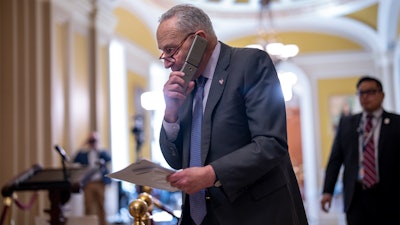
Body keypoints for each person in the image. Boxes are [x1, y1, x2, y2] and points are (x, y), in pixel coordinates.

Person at [157, 4, 308, 225]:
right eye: (163, 53)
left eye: (171, 50)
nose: (167, 62)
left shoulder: (250, 64)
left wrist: (211, 174)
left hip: (254, 215)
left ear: (199, 38)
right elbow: (175, 159)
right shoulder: (183, 85)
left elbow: (270, 143)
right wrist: (170, 113)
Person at [320, 76, 400, 225]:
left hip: (389, 196)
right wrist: (327, 191)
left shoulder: (396, 123)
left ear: (381, 95)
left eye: (370, 92)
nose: (365, 97)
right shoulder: (347, 123)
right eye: (361, 93)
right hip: (356, 196)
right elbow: (335, 159)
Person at [73, 131, 111, 225]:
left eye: (94, 140)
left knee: (101, 206)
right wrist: (83, 145)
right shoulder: (85, 154)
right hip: (88, 183)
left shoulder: (101, 152)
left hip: (100, 182)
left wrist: (98, 147)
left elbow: (108, 158)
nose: (93, 142)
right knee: (88, 206)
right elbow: (75, 159)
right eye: (91, 140)